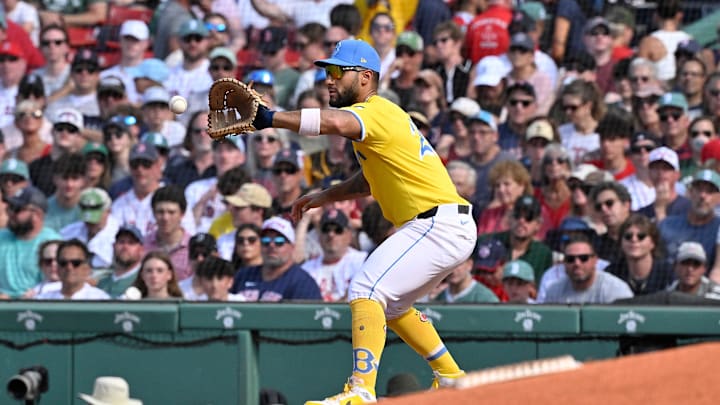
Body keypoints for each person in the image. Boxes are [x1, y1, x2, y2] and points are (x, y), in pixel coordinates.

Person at [230, 39, 477, 403]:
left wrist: (270, 118)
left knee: (365, 289)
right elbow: (368, 181)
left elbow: (332, 122)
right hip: (440, 225)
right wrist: (324, 196)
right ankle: (451, 374)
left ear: (364, 77)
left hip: (437, 224)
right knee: (391, 307)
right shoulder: (375, 120)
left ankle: (360, 391)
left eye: (335, 72)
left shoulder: (376, 110)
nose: (328, 79)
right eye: (326, 72)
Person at [0, 185, 60, 298]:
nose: (11, 214)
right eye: (10, 208)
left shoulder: (52, 243)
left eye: (17, 209)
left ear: (37, 214)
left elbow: (57, 284)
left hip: (36, 306)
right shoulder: (1, 237)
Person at [540, 233, 633, 304]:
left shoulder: (615, 290)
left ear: (595, 260)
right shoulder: (554, 291)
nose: (577, 263)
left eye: (583, 258)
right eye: (570, 259)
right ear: (564, 262)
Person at [302, 209, 368, 302]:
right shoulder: (306, 269)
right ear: (319, 235)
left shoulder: (363, 262)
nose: (331, 234)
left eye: (338, 230)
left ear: (349, 235)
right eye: (326, 230)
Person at [658, 169, 720, 267]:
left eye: (710, 191)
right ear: (690, 192)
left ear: (718, 198)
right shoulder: (667, 225)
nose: (703, 196)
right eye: (698, 189)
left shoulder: (718, 231)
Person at [605, 214, 674, 296]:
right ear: (621, 243)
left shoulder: (668, 272)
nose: (634, 240)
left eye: (641, 236)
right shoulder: (612, 273)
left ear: (652, 243)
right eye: (628, 236)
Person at [60, 187, 119, 269]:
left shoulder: (119, 235)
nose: (90, 223)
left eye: (95, 220)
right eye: (87, 220)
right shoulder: (68, 232)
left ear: (108, 211)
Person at [36, 239, 110, 300]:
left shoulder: (100, 300)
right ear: (58, 268)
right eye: (63, 263)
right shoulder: (43, 301)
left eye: (76, 263)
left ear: (87, 268)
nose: (69, 267)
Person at [96, 225, 144, 298]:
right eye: (121, 242)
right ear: (113, 246)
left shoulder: (144, 280)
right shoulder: (102, 282)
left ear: (141, 249)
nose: (125, 247)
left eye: (131, 243)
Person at [180, 232, 218, 300]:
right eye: (194, 254)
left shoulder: (227, 287)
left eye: (205, 254)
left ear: (216, 255)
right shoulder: (179, 290)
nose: (200, 259)